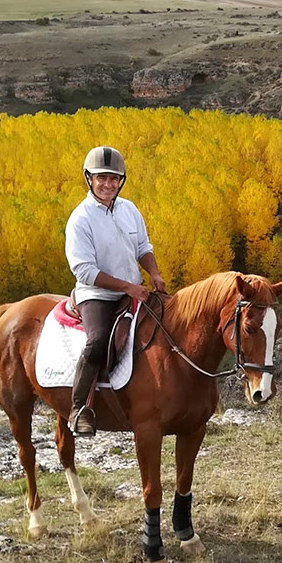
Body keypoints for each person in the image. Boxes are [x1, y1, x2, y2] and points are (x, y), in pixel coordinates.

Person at [65, 146, 166, 437]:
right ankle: (79, 408)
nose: (108, 184)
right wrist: (127, 287)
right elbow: (84, 271)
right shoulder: (80, 219)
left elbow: (143, 247)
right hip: (96, 294)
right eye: (102, 178)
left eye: (114, 179)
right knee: (97, 341)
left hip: (132, 290)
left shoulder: (129, 209)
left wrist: (154, 273)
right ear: (89, 179)